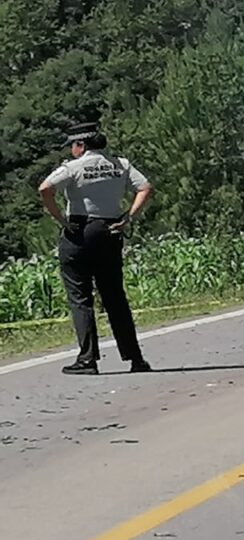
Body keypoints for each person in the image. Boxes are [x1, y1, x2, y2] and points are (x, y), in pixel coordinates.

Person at [38, 122, 154, 375]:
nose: (71, 150)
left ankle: (88, 359)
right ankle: (135, 358)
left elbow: (45, 188)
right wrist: (129, 217)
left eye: (72, 145)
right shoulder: (120, 164)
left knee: (80, 298)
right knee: (115, 297)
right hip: (110, 230)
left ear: (81, 145)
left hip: (79, 231)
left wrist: (60, 219)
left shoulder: (74, 167)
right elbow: (145, 187)